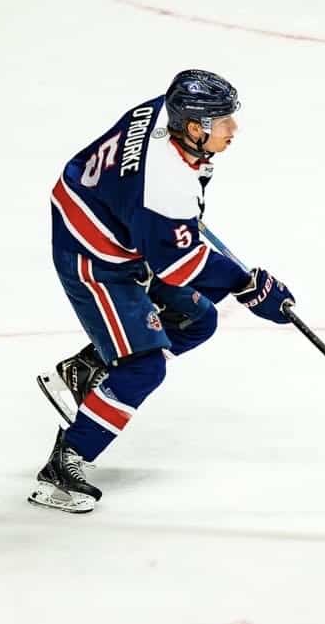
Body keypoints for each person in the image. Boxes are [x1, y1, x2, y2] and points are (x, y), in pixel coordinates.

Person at [29, 69, 295, 513]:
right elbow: (178, 267)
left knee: (198, 318)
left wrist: (176, 226)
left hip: (108, 215)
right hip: (93, 256)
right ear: (193, 127)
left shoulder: (164, 112)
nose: (233, 128)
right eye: (223, 121)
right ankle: (64, 463)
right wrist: (247, 287)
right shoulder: (164, 184)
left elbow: (169, 231)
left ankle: (85, 369)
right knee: (144, 368)